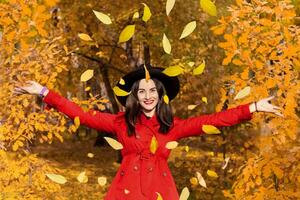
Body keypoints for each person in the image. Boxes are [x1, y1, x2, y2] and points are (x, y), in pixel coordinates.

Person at [14, 65, 283, 200]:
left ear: (160, 94)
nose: (147, 96)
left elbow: (212, 120)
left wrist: (254, 106)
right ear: (135, 96)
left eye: (152, 90)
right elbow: (82, 115)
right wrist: (44, 92)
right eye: (141, 91)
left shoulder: (173, 126)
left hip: (161, 192)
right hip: (124, 192)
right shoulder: (121, 123)